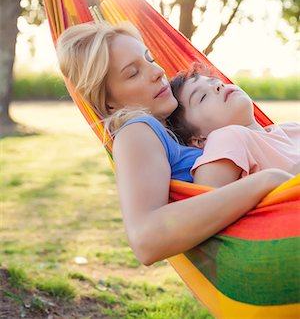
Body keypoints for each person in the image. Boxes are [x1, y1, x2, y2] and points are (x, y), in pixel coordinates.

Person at [56, 20, 294, 265]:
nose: (158, 72)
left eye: (149, 59)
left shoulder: (176, 129)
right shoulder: (137, 132)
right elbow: (146, 240)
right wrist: (268, 181)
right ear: (109, 104)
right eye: (133, 73)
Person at [169, 64, 300, 188]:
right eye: (202, 97)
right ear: (198, 139)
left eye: (214, 81)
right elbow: (207, 203)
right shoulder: (227, 137)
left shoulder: (292, 128)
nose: (218, 86)